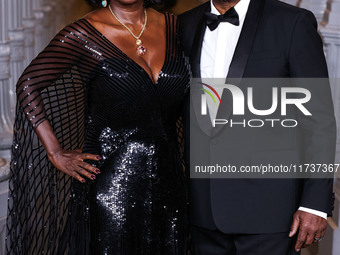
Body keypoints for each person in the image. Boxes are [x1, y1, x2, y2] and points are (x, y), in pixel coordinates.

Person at [6, 0, 190, 254]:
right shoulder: (84, 33)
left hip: (170, 181)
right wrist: (55, 152)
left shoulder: (176, 26)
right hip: (111, 186)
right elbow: (28, 84)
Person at [179, 0, 336, 254]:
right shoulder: (185, 24)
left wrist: (315, 203)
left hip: (271, 212)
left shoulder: (292, 22)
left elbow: (319, 121)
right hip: (203, 212)